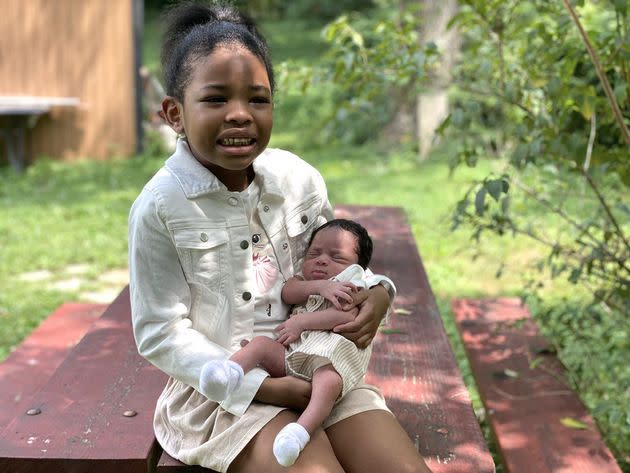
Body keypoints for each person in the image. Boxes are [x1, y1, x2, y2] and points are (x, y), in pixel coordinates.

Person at [128, 2, 432, 472]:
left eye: (257, 99)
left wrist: (379, 295)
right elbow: (160, 333)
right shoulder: (161, 207)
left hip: (318, 372)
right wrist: (265, 388)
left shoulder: (299, 180)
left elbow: (337, 264)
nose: (239, 115)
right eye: (215, 99)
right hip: (225, 395)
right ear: (175, 113)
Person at [200, 219, 383, 466]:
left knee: (328, 383)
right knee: (262, 345)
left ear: (357, 268)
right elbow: (288, 292)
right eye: (314, 253)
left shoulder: (354, 282)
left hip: (328, 361)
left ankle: (300, 431)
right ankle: (227, 374)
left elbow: (347, 316)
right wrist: (320, 286)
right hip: (294, 354)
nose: (321, 260)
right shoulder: (303, 279)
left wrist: (303, 322)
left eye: (336, 258)